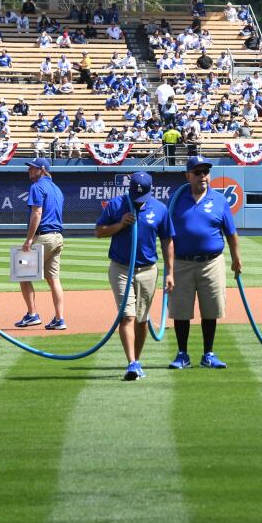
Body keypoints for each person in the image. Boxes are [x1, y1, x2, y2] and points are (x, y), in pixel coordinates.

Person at [95, 171, 175, 380]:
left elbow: (167, 239)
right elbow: (99, 231)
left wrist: (170, 272)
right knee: (127, 315)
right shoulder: (116, 204)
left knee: (141, 319)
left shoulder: (160, 208)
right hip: (121, 268)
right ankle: (131, 362)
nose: (137, 202)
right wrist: (120, 224)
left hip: (148, 270)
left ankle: (136, 361)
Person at [168, 155, 241, 369]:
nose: (203, 176)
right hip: (182, 262)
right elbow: (167, 235)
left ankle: (208, 353)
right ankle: (183, 354)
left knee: (211, 309)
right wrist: (169, 267)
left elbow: (231, 233)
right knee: (181, 310)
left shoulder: (219, 200)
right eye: (198, 172)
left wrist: (237, 259)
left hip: (212, 262)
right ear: (188, 175)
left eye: (206, 172)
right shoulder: (176, 199)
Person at [14, 158, 67, 331]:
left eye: (33, 168)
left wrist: (29, 239)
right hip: (58, 237)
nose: (29, 170)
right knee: (53, 279)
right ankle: (59, 319)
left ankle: (32, 315)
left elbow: (37, 213)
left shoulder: (37, 186)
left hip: (43, 236)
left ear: (42, 170)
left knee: (22, 274)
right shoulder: (57, 189)